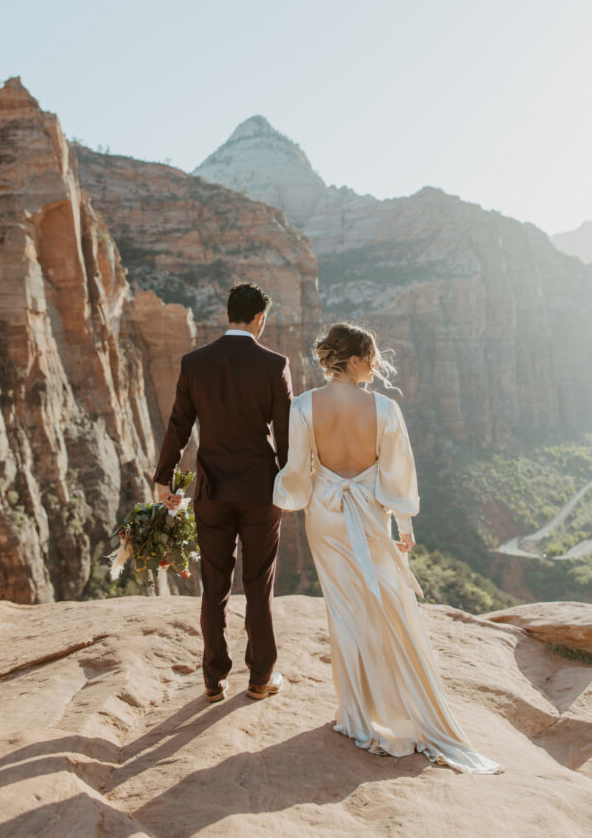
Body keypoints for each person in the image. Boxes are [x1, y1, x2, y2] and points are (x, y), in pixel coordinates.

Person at [273, 322, 503, 773]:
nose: (376, 366)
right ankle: (397, 709)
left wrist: (285, 498)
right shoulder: (384, 409)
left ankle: (358, 715)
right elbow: (398, 474)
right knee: (388, 605)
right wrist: (403, 521)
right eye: (372, 358)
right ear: (354, 360)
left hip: (324, 514)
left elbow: (298, 470)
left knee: (343, 610)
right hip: (371, 515)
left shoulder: (302, 406)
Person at [154, 282, 293, 703]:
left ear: (228, 315)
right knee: (258, 585)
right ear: (259, 319)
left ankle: (214, 679)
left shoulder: (195, 362)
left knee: (214, 586)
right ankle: (260, 677)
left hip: (211, 491)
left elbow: (179, 424)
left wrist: (165, 478)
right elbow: (286, 435)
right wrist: (289, 484)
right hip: (261, 493)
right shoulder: (274, 364)